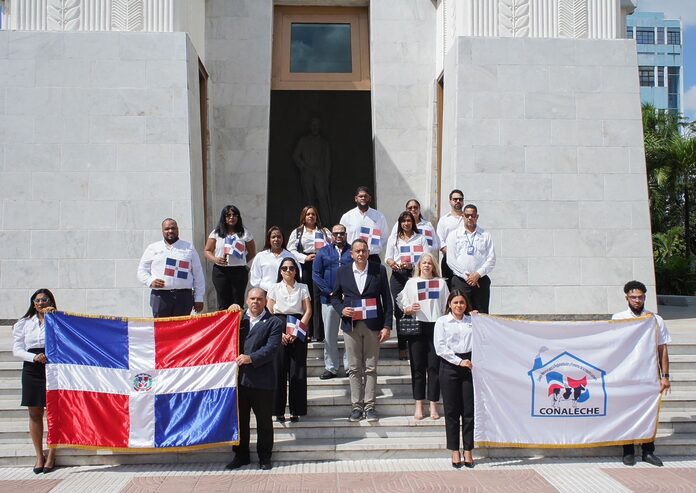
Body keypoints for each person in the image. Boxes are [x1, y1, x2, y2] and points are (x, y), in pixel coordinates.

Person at [331, 239, 393, 422]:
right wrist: (341, 309)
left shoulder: (378, 269)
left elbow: (387, 300)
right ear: (351, 254)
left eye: (363, 251)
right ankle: (356, 406)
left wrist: (387, 326)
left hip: (373, 325)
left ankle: (370, 406)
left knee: (371, 367)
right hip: (351, 326)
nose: (360, 254)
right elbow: (334, 296)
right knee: (354, 367)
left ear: (368, 252)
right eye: (357, 251)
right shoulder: (342, 271)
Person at [612, 280, 671, 467]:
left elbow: (662, 349)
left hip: (649, 375)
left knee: (649, 413)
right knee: (626, 412)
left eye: (640, 297)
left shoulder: (655, 319)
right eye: (633, 297)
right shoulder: (618, 318)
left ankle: (648, 451)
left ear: (645, 297)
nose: (637, 300)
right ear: (626, 298)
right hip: (626, 375)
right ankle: (628, 451)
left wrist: (665, 376)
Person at [226, 288, 283, 471]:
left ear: (265, 301)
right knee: (241, 420)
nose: (255, 302)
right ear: (246, 300)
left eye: (259, 299)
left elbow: (272, 348)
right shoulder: (239, 319)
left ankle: (265, 457)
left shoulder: (274, 322)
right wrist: (230, 312)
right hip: (240, 381)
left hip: (262, 381)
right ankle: (241, 455)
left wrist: (251, 358)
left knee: (264, 422)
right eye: (252, 298)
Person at [397, 253, 449, 421]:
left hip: (436, 327)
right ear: (419, 266)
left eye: (429, 263)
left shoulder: (441, 283)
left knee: (434, 367)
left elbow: (447, 304)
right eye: (424, 263)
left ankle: (433, 403)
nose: (426, 265)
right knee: (418, 367)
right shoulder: (411, 283)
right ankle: (419, 403)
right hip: (417, 326)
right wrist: (408, 308)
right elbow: (401, 300)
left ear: (434, 266)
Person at [12, 289, 58, 474]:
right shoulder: (23, 323)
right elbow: (17, 349)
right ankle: (39, 455)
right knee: (34, 412)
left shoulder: (58, 320)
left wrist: (55, 319)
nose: (40, 303)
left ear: (51, 301)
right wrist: (33, 357)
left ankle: (52, 454)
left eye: (44, 299)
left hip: (53, 367)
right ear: (33, 303)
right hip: (33, 367)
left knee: (54, 412)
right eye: (37, 300)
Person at [267, 257, 312, 423]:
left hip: (297, 324)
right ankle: (277, 409)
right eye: (285, 268)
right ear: (280, 271)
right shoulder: (274, 288)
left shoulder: (303, 287)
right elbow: (269, 310)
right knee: (278, 369)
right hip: (278, 324)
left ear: (296, 271)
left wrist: (297, 330)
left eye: (291, 268)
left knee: (297, 370)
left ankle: (296, 409)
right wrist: (278, 333)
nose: (288, 271)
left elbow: (308, 310)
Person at [434, 290, 475, 469]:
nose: (459, 306)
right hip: (450, 365)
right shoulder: (442, 322)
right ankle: (454, 450)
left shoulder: (472, 322)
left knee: (468, 411)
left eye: (462, 303)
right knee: (452, 411)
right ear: (450, 304)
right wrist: (459, 361)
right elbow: (440, 347)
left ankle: (468, 450)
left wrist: (480, 319)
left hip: (469, 366)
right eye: (456, 302)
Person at [137, 218, 205, 317]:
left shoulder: (188, 248)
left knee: (181, 330)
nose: (170, 231)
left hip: (184, 297)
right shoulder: (153, 248)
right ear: (162, 231)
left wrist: (199, 297)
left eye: (173, 228)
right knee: (161, 329)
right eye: (167, 229)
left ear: (178, 229)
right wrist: (150, 281)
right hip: (160, 296)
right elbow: (141, 271)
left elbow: (198, 274)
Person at [385, 210, 430, 360]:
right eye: (403, 221)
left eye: (409, 220)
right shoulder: (394, 239)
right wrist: (393, 264)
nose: (406, 223)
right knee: (401, 312)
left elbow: (426, 257)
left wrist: (413, 265)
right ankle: (402, 346)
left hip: (415, 276)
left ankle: (416, 346)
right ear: (400, 223)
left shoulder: (420, 238)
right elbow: (388, 258)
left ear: (413, 222)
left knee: (417, 309)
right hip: (398, 277)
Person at [312, 223, 352, 380]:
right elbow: (316, 274)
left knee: (350, 334)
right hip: (328, 299)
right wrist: (330, 291)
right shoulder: (323, 252)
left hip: (348, 300)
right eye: (336, 234)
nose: (339, 236)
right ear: (331, 236)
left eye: (342, 233)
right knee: (329, 335)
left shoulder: (352, 251)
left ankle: (350, 367)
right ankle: (331, 367)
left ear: (346, 234)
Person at [288, 206, 332, 341]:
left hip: (321, 265)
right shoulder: (298, 232)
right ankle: (307, 332)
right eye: (308, 214)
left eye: (313, 214)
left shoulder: (324, 231)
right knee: (307, 298)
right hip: (305, 265)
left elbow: (332, 245)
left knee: (318, 297)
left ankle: (319, 333)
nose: (311, 216)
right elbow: (291, 249)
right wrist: (303, 258)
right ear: (304, 216)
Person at [204, 205, 256, 309]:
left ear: (238, 217)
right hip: (220, 271)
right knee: (223, 302)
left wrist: (245, 265)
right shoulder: (216, 233)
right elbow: (207, 251)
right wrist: (216, 259)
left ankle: (238, 325)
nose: (231, 217)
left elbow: (252, 252)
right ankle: (224, 325)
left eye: (234, 215)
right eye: (228, 215)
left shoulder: (244, 233)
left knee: (237, 302)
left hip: (239, 271)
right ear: (224, 217)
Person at [445, 204, 495, 313]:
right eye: (467, 215)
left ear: (477, 217)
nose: (469, 218)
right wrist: (466, 276)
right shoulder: (454, 235)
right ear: (463, 216)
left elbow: (491, 259)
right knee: (460, 312)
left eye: (472, 215)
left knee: (481, 314)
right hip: (460, 280)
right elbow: (450, 260)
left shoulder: (485, 235)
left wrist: (477, 274)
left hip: (480, 280)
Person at [293, 117, 333, 224]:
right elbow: (296, 155)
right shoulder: (304, 141)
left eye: (317, 125)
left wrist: (326, 175)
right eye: (313, 125)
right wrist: (303, 167)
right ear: (310, 126)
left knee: (323, 199)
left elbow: (327, 160)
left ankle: (326, 224)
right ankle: (307, 224)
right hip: (307, 172)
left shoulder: (324, 143)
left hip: (320, 173)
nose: (315, 127)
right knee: (308, 199)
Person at [339, 186, 389, 264]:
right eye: (360, 196)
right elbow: (341, 236)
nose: (363, 198)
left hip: (372, 257)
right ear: (356, 198)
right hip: (352, 258)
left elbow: (384, 237)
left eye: (365, 196)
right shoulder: (347, 216)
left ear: (370, 198)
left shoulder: (379, 216)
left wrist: (373, 249)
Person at [249, 227, 296, 293]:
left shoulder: (290, 256)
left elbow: (298, 274)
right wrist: (270, 288)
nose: (276, 239)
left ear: (283, 239)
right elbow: (255, 279)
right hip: (265, 293)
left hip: (285, 292)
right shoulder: (260, 256)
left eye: (279, 237)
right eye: (273, 237)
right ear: (269, 240)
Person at [436, 190, 465, 288]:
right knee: (448, 288)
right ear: (450, 201)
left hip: (465, 259)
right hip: (448, 258)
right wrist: (450, 252)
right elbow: (439, 240)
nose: (457, 201)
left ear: (463, 201)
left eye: (460, 199)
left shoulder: (468, 219)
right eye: (455, 199)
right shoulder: (444, 220)